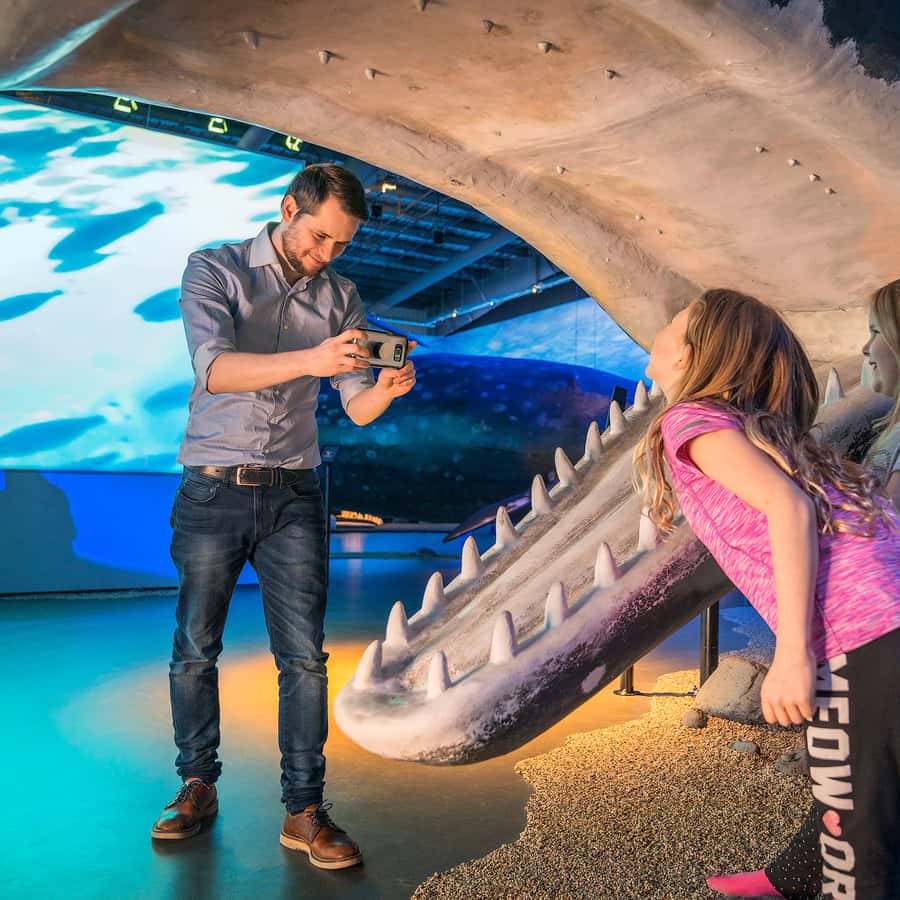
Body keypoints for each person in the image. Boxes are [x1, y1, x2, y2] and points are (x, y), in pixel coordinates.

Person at [150, 163, 417, 870]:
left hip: (297, 493)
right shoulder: (216, 268)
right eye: (321, 237)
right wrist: (314, 358)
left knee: (304, 658)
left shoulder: (342, 297)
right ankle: (196, 786)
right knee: (195, 648)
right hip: (213, 487)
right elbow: (216, 370)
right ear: (289, 208)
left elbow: (357, 406)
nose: (328, 255)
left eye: (342, 245)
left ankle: (304, 810)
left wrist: (386, 389)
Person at [635, 288, 900, 899]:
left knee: (858, 856)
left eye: (674, 321)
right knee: (870, 810)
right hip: (883, 627)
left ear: (693, 352)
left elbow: (788, 506)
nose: (661, 329)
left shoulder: (689, 419)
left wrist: (792, 655)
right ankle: (793, 877)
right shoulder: (761, 434)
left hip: (858, 636)